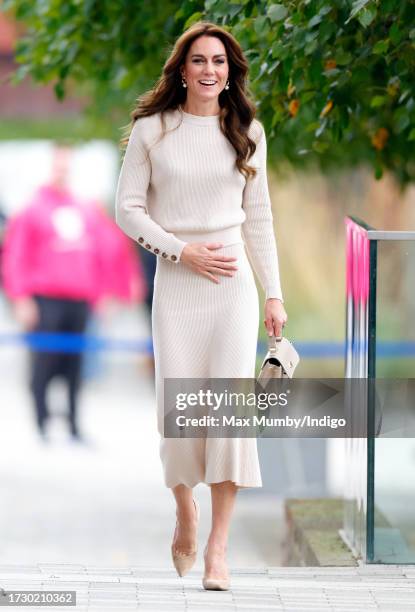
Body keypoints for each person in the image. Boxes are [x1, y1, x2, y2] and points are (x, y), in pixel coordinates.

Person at [115, 21, 287, 590]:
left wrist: (274, 293)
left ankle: (218, 548)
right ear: (181, 69)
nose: (209, 70)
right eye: (199, 61)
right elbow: (128, 210)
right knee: (182, 414)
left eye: (219, 62)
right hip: (177, 284)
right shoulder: (152, 131)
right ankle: (185, 511)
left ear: (230, 71)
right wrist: (181, 251)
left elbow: (258, 218)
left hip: (233, 288)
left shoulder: (249, 132)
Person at [2, 144, 143, 441]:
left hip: (80, 299)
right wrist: (21, 297)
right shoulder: (31, 210)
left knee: (77, 366)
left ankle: (74, 425)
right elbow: (15, 256)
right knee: (44, 362)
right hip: (46, 298)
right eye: (58, 166)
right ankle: (41, 423)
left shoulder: (86, 209)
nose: (62, 172)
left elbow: (108, 250)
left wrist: (111, 291)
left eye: (66, 167)